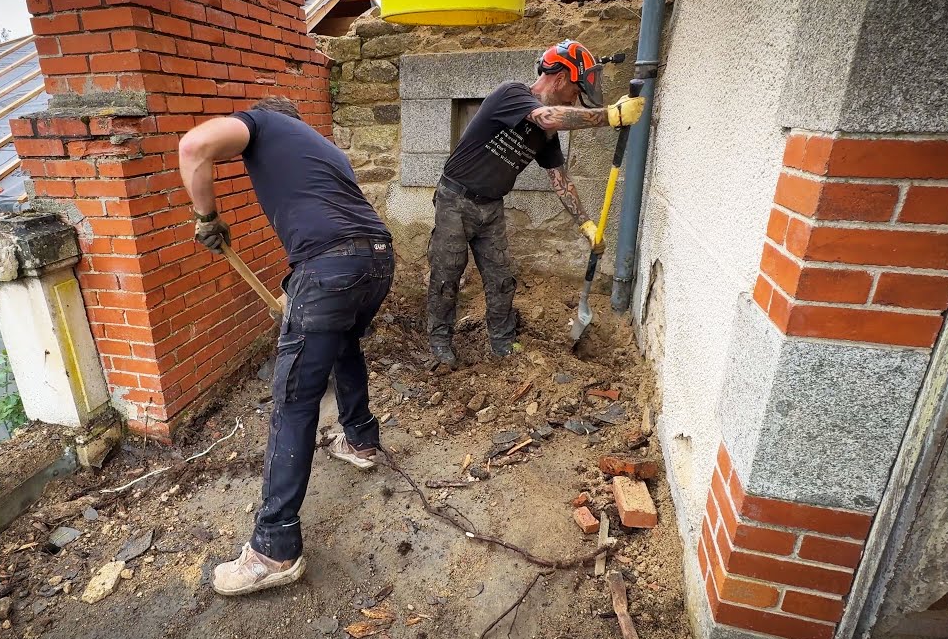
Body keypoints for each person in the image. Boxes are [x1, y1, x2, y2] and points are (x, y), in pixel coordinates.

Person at [179, 96, 395, 596]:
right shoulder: (326, 150)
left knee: (294, 400)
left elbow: (194, 147)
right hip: (377, 258)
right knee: (344, 348)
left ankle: (274, 548)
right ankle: (360, 440)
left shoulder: (261, 123)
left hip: (329, 267)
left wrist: (206, 218)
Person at [426, 39, 645, 366]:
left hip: (491, 208)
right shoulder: (511, 94)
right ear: (559, 78)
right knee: (446, 274)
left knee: (502, 279)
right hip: (455, 200)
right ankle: (439, 342)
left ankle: (502, 342)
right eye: (575, 90)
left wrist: (585, 223)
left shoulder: (546, 136)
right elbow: (546, 117)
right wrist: (610, 116)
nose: (576, 98)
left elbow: (560, 178)